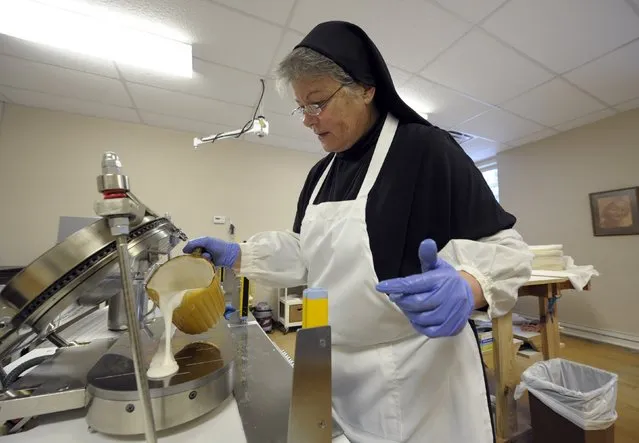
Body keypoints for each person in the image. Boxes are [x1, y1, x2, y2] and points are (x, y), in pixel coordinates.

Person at [184, 21, 533, 443]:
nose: (309, 121)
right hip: (340, 371)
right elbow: (305, 255)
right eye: (301, 108)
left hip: (420, 377)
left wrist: (470, 284)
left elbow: (508, 249)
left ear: (366, 89)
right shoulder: (320, 174)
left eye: (318, 103)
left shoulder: (425, 149)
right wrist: (239, 253)